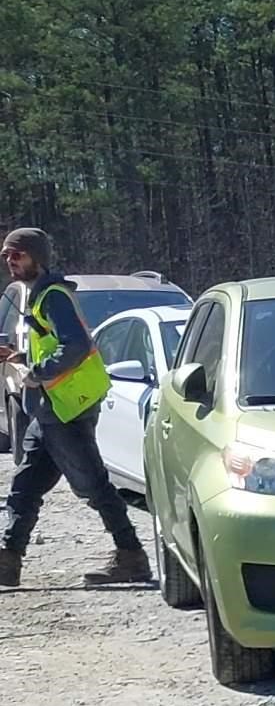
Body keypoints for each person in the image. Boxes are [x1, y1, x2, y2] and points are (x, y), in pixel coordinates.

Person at [0, 227, 150, 588]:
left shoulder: (53, 296)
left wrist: (37, 372)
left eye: (16, 254)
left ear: (37, 257)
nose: (9, 261)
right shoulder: (38, 297)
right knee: (24, 486)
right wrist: (22, 357)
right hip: (50, 409)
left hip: (67, 409)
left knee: (94, 486)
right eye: (6, 255)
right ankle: (7, 560)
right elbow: (54, 343)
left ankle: (132, 556)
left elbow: (77, 345)